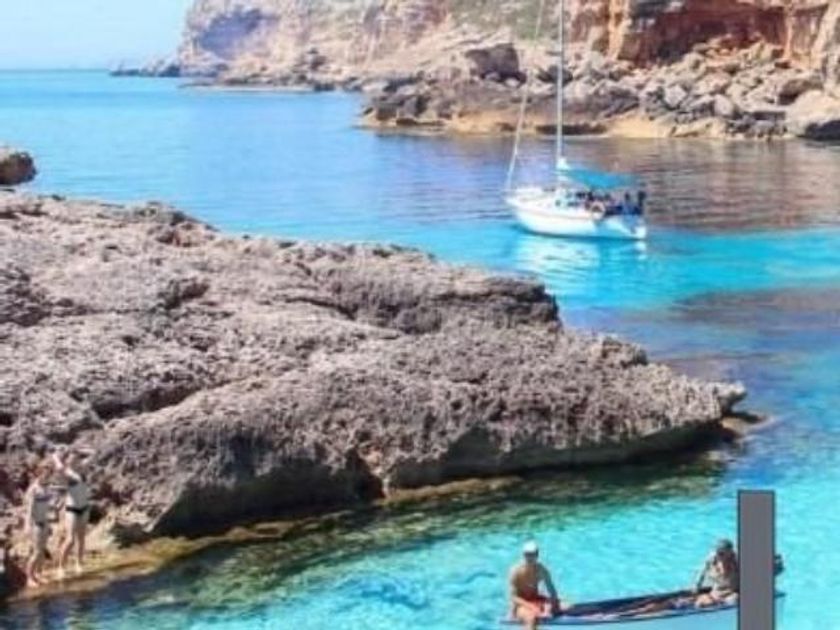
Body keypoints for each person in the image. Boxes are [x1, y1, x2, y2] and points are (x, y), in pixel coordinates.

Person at [52, 448, 92, 577]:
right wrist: (56, 456)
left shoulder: (83, 468)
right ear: (67, 460)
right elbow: (58, 464)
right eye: (71, 458)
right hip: (72, 509)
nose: (74, 459)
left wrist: (79, 448)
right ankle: (61, 567)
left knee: (81, 538)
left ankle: (79, 563)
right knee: (70, 539)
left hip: (84, 508)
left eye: (76, 457)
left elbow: (94, 453)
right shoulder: (66, 471)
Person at [509, 541, 563, 629]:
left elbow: (552, 591)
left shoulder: (541, 570)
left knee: (564, 606)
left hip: (536, 599)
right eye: (527, 554)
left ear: (537, 555)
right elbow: (514, 597)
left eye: (532, 554)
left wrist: (552, 606)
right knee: (531, 618)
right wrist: (532, 607)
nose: (530, 557)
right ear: (523, 555)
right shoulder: (516, 571)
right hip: (521, 605)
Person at [23, 461, 53, 587]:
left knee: (42, 551)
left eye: (48, 474)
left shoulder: (47, 488)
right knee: (36, 552)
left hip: (45, 522)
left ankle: (38, 574)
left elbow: (47, 507)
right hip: (35, 524)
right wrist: (27, 525)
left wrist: (49, 522)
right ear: (38, 473)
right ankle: (29, 578)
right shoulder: (33, 489)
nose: (46, 475)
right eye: (44, 473)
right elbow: (29, 509)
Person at [694, 538, 739, 607]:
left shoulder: (736, 561)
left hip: (732, 593)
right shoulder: (711, 560)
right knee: (700, 603)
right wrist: (696, 589)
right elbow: (701, 574)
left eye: (722, 553)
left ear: (730, 552)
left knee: (732, 601)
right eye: (717, 552)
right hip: (716, 593)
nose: (719, 555)